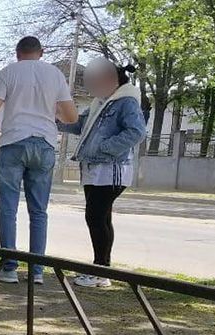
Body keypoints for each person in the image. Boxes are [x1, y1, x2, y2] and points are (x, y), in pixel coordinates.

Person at [0, 36, 79, 285]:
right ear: (41, 52)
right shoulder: (55, 75)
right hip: (44, 144)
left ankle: (10, 268)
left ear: (17, 54)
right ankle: (37, 271)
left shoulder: (8, 73)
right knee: (39, 211)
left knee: (8, 208)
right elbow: (71, 117)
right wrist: (51, 113)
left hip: (12, 143)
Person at [58, 57, 148, 288]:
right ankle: (101, 270)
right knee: (101, 217)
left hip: (111, 169)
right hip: (94, 168)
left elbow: (136, 132)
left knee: (96, 217)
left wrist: (105, 148)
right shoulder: (101, 103)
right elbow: (78, 124)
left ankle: (100, 271)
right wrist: (54, 118)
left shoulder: (126, 102)